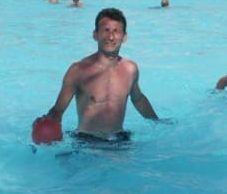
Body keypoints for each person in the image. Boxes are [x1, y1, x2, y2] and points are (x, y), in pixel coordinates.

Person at [39, 8, 158, 140]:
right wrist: (45, 125)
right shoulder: (78, 70)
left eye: (116, 31)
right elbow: (58, 111)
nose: (111, 37)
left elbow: (138, 99)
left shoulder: (130, 69)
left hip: (120, 139)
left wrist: (158, 123)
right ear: (95, 35)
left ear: (124, 37)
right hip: (87, 141)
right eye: (106, 30)